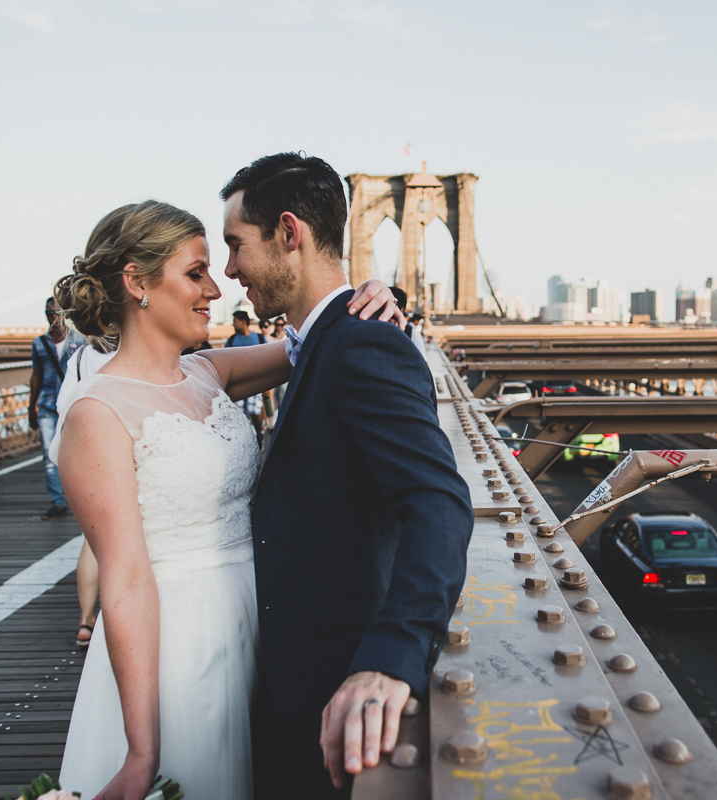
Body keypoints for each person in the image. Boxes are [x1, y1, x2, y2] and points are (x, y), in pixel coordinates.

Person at [52, 199, 400, 800]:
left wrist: (368, 299)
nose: (217, 287)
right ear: (136, 282)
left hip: (265, 625)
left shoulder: (209, 372)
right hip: (183, 647)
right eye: (195, 273)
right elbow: (128, 577)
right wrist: (142, 751)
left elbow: (317, 340)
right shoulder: (96, 414)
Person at [221, 153, 472, 799]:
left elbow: (438, 500)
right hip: (288, 687)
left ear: (288, 232)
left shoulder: (363, 342)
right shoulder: (326, 339)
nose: (229, 270)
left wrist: (394, 657)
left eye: (234, 244)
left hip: (335, 695)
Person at [54, 339, 117, 648]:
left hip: (90, 455)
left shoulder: (80, 357)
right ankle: (117, 616)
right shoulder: (133, 349)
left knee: (91, 542)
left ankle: (85, 619)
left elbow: (62, 405)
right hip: (123, 447)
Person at [28, 297, 86, 520]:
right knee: (47, 453)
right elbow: (37, 375)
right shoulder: (39, 343)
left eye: (57, 313)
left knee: (75, 453)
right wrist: (30, 407)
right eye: (49, 313)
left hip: (71, 405)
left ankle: (79, 498)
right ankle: (57, 501)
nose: (53, 317)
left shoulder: (80, 341)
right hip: (47, 405)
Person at [225, 310, 270, 442]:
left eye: (235, 321)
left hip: (256, 383)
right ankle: (243, 440)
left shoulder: (260, 339)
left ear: (243, 322)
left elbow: (267, 361)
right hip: (237, 384)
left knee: (255, 412)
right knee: (238, 414)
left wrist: (267, 385)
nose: (233, 324)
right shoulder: (231, 340)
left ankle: (259, 435)